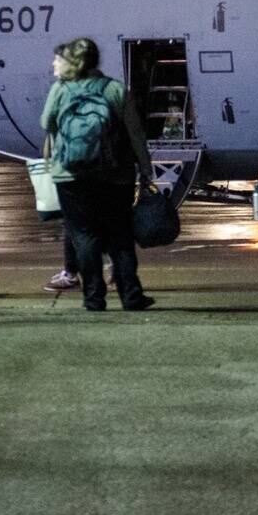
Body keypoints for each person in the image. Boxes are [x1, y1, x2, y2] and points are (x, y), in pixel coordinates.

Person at [40, 37, 155, 312]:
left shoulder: (61, 89)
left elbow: (46, 122)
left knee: (84, 236)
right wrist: (145, 168)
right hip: (115, 174)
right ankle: (131, 296)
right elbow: (135, 133)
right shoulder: (115, 89)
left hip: (70, 175)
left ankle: (93, 298)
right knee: (120, 237)